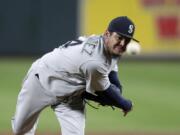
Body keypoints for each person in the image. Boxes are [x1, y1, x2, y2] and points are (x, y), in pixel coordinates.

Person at [11, 16, 139, 135]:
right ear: (107, 34)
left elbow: (111, 72)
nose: (123, 44)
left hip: (70, 97)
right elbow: (105, 92)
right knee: (20, 130)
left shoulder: (109, 46)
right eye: (119, 38)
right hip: (41, 83)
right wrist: (126, 104)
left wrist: (117, 92)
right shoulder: (94, 62)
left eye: (127, 40)